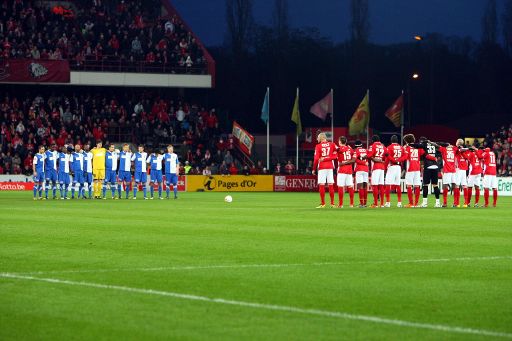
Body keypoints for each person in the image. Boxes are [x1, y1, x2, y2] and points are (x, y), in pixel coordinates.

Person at [402, 134, 437, 207]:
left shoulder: (407, 148)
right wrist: (434, 158)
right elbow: (426, 155)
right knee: (417, 186)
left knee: (409, 186)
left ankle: (411, 203)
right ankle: (416, 203)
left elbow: (405, 157)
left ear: (406, 141)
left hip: (410, 168)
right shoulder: (418, 147)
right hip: (417, 169)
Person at [410, 137, 441, 207]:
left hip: (428, 166)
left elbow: (418, 146)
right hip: (435, 166)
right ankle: (438, 203)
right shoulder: (433, 144)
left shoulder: (424, 144)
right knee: (435, 185)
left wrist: (410, 144)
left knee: (425, 185)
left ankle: (424, 203)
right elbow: (439, 151)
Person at [312, 132, 337, 208]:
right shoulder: (332, 144)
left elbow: (316, 159)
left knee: (322, 185)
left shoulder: (318, 146)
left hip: (322, 167)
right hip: (330, 166)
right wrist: (328, 158)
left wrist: (313, 169)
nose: (317, 139)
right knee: (330, 185)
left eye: (318, 137)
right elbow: (336, 155)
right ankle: (332, 203)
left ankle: (323, 204)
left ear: (321, 138)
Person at [367, 135, 386, 208]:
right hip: (382, 167)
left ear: (373, 140)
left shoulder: (373, 146)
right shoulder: (383, 146)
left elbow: (369, 155)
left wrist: (369, 156)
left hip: (376, 167)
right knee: (381, 185)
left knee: (375, 185)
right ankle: (382, 204)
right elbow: (386, 155)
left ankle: (375, 203)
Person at [436, 141, 457, 207]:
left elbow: (437, 146)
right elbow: (458, 148)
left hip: (447, 170)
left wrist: (430, 142)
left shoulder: (444, 149)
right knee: (454, 185)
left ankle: (445, 203)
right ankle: (455, 203)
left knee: (445, 185)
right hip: (453, 170)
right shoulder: (454, 148)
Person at [384, 135, 404, 207]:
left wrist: (385, 167)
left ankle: (388, 202)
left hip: (392, 167)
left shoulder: (389, 147)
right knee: (397, 184)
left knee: (388, 184)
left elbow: (387, 159)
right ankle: (399, 203)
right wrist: (399, 160)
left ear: (391, 140)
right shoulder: (401, 147)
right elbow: (404, 156)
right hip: (398, 167)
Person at [335, 136, 355, 208]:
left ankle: (340, 204)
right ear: (346, 142)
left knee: (340, 186)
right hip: (349, 170)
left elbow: (334, 155)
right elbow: (354, 158)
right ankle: (351, 204)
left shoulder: (339, 149)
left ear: (340, 142)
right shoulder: (350, 149)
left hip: (342, 170)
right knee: (350, 186)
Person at [353, 140, 369, 207]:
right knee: (365, 186)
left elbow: (355, 160)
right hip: (366, 169)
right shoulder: (366, 150)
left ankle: (361, 203)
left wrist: (363, 162)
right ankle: (365, 203)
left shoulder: (356, 151)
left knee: (360, 187)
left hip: (359, 169)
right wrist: (365, 163)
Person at [454, 139, 470, 207]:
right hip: (464, 169)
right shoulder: (466, 150)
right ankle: (465, 203)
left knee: (457, 185)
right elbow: (467, 158)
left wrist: (460, 150)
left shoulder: (456, 149)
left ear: (457, 143)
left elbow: (455, 152)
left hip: (459, 168)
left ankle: (457, 203)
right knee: (464, 185)